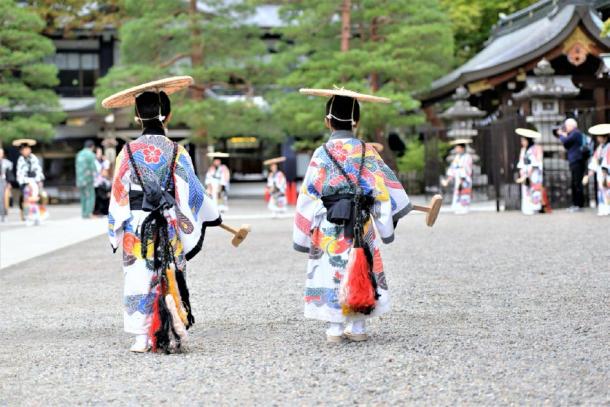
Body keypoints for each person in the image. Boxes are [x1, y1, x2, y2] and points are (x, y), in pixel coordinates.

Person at [103, 76, 221, 353]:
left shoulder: (126, 152)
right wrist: (212, 214)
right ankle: (171, 328)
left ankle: (140, 337)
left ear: (136, 117)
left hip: (136, 223)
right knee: (168, 269)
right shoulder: (177, 151)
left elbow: (118, 194)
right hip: (167, 221)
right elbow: (192, 190)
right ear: (166, 116)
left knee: (138, 272)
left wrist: (115, 227)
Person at [294, 88, 415, 343]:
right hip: (361, 221)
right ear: (356, 122)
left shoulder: (321, 153)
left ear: (327, 121)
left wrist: (304, 232)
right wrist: (386, 218)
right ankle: (358, 325)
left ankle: (334, 329)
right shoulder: (367, 151)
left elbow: (308, 195)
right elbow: (384, 189)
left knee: (330, 269)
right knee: (362, 264)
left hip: (330, 221)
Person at [14, 139, 47, 226]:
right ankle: (28, 217)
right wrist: (26, 182)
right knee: (27, 200)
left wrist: (39, 180)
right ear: (21, 151)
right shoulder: (20, 160)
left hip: (35, 180)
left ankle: (38, 216)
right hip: (26, 182)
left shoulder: (34, 158)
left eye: (28, 149)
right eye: (24, 150)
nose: (26, 151)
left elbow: (38, 169)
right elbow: (20, 173)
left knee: (40, 197)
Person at [556, 118, 586, 211]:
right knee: (574, 183)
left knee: (577, 183)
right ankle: (575, 204)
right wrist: (563, 135)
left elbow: (565, 141)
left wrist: (561, 134)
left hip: (577, 161)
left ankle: (579, 204)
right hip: (574, 161)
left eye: (566, 126)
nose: (565, 128)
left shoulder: (576, 133)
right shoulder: (572, 134)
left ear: (572, 126)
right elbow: (566, 144)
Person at [515, 128, 544, 215]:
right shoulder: (523, 150)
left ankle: (535, 207)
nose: (522, 143)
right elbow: (521, 163)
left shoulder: (537, 148)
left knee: (534, 190)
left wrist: (528, 173)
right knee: (526, 190)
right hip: (525, 172)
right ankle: (527, 207)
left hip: (534, 174)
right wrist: (523, 174)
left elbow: (537, 162)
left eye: (523, 140)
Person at [583, 124, 610, 216]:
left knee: (607, 190)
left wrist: (605, 172)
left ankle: (607, 208)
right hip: (600, 173)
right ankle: (603, 208)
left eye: (599, 137)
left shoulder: (609, 147)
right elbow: (594, 161)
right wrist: (588, 175)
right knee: (602, 191)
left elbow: (607, 162)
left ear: (605, 137)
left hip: (607, 172)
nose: (598, 139)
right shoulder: (599, 148)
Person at [442, 139, 473, 215]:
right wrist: (448, 179)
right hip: (458, 177)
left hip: (465, 178)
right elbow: (453, 168)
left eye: (457, 147)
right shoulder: (457, 157)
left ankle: (464, 207)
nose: (456, 149)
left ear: (462, 148)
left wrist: (460, 170)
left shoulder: (467, 157)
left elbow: (467, 168)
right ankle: (458, 207)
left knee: (464, 193)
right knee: (458, 193)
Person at [75, 140, 97, 219]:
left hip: (79, 179)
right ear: (92, 146)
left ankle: (84, 213)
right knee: (90, 196)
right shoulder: (91, 155)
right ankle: (89, 213)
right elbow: (93, 168)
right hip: (88, 179)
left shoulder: (79, 154)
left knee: (83, 196)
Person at [93, 147, 111, 216]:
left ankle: (105, 211)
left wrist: (105, 160)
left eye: (100, 152)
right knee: (98, 197)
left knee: (105, 196)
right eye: (98, 153)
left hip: (103, 182)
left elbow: (107, 168)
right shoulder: (94, 161)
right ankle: (97, 211)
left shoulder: (104, 161)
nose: (99, 154)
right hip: (96, 182)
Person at [0, 148, 13, 222]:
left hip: (4, 181)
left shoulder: (7, 163)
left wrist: (9, 183)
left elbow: (9, 174)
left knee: (4, 199)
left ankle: (4, 215)